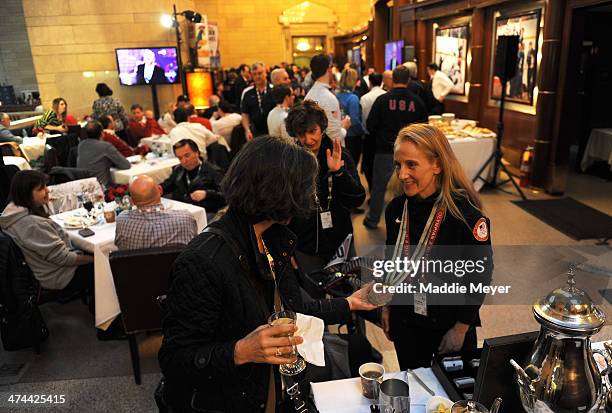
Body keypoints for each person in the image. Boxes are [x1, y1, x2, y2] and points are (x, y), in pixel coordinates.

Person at [158, 136, 376, 412]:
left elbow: (293, 307)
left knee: (359, 349)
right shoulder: (203, 260)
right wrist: (240, 351)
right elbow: (175, 359)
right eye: (305, 187)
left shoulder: (273, 238)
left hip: (273, 386)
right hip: (236, 397)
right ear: (278, 191)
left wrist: (349, 304)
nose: (312, 196)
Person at [381, 124, 493, 369]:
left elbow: (480, 276)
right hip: (406, 321)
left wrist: (461, 328)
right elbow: (392, 261)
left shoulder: (466, 216)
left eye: (412, 165)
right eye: (398, 165)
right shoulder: (397, 209)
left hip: (448, 326)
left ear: (437, 165)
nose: (402, 174)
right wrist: (389, 306)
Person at [286, 101, 365, 261]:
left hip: (341, 244)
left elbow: (357, 199)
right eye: (301, 134)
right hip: (304, 247)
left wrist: (339, 173)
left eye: (312, 131)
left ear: (322, 128)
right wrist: (286, 246)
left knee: (348, 284)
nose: (308, 140)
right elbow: (283, 207)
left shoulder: (341, 156)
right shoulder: (290, 161)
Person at [0, 170, 94, 292]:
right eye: (41, 188)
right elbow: (65, 258)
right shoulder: (32, 225)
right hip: (58, 276)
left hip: (41, 269)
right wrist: (97, 259)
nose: (48, 190)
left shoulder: (12, 212)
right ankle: (103, 307)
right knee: (108, 265)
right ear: (26, 194)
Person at [364, 65, 427, 230]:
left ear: (392, 80)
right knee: (409, 187)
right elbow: (424, 129)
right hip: (411, 154)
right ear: (408, 80)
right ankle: (407, 223)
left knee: (379, 187)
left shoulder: (382, 100)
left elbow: (370, 125)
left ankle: (372, 220)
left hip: (385, 150)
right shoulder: (417, 102)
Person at [115, 175, 196, 250]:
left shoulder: (121, 220)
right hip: (177, 265)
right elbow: (194, 247)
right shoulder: (185, 218)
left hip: (136, 265)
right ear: (160, 190)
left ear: (132, 201)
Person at [161, 139, 226, 220]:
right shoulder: (179, 170)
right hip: (183, 210)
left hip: (207, 212)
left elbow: (226, 195)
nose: (184, 161)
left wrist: (207, 194)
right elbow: (167, 185)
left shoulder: (214, 171)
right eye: (180, 158)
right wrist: (155, 189)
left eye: (187, 156)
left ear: (197, 153)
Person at [304, 54, 351, 147]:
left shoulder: (309, 95)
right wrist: (344, 127)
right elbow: (334, 136)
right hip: (330, 153)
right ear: (328, 69)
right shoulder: (328, 98)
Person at [77, 121, 131, 188]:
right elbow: (126, 165)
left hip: (83, 187)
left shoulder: (81, 145)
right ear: (102, 133)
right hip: (101, 188)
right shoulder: (105, 146)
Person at [359, 73, 386, 189]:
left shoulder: (365, 98)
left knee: (369, 165)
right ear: (382, 82)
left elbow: (364, 120)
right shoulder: (387, 96)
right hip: (383, 136)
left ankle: (372, 189)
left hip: (369, 136)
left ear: (370, 83)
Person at [336, 67, 366, 170]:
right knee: (352, 168)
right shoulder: (353, 98)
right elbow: (355, 121)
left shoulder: (336, 96)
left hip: (339, 135)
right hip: (352, 138)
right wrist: (363, 132)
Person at [241, 62, 272, 140]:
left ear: (266, 73)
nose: (257, 76)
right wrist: (247, 130)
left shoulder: (273, 90)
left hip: (272, 131)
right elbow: (245, 113)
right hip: (255, 132)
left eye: (260, 73)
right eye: (254, 74)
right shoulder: (247, 93)